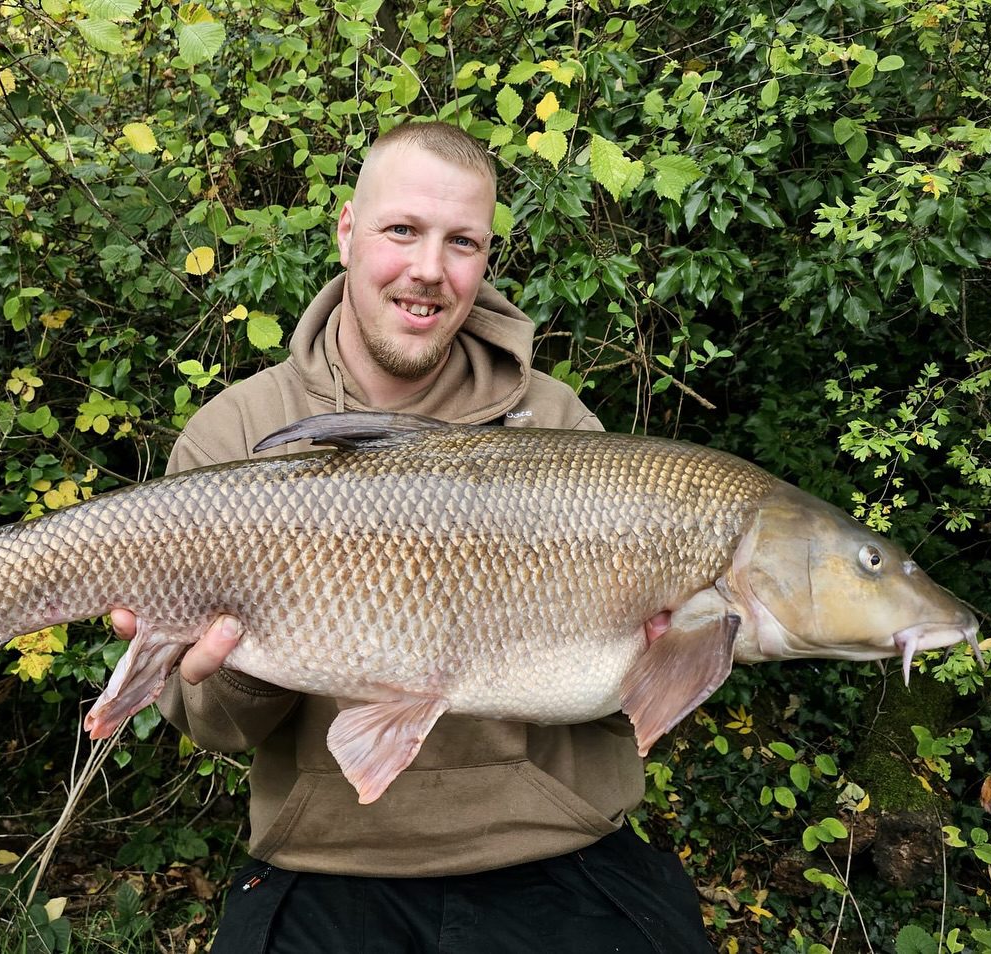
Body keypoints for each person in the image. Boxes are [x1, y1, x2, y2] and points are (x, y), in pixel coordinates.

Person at [109, 121, 713, 953]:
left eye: (461, 241)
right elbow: (213, 727)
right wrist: (240, 668)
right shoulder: (238, 431)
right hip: (325, 866)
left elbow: (629, 683)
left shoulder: (558, 425)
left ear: (485, 258)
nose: (429, 269)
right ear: (347, 232)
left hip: (559, 855)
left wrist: (671, 645)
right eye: (402, 230)